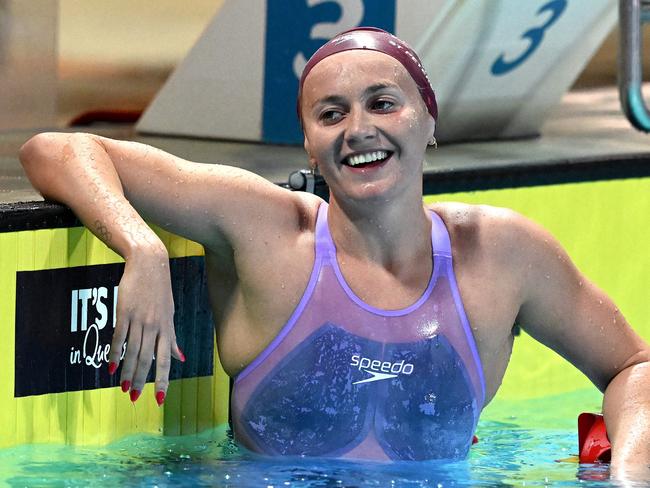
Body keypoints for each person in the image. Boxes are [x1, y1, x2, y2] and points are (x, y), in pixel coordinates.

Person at [19, 27, 650, 472]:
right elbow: (57, 149)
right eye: (331, 114)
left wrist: (629, 472)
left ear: (430, 123)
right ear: (308, 145)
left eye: (382, 104)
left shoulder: (502, 254)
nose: (359, 131)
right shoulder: (267, 231)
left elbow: (633, 368)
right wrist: (142, 247)